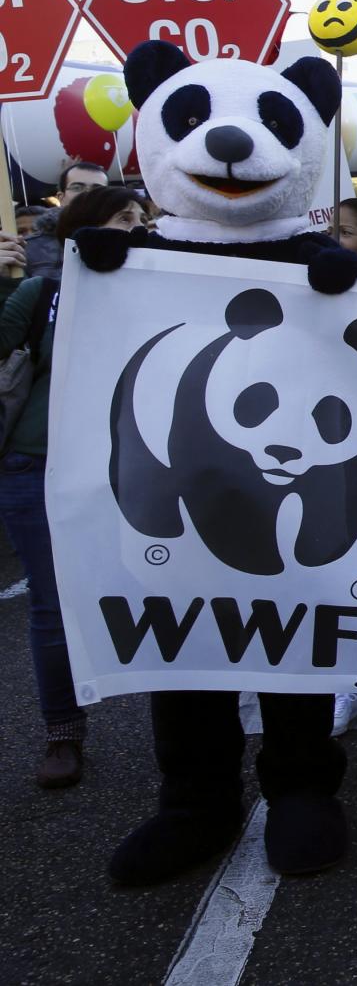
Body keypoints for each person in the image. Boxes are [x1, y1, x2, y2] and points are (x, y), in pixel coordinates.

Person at [0, 187, 147, 787]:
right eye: (122, 219)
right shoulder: (43, 294)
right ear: (81, 234)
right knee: (53, 606)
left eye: (144, 219)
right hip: (37, 464)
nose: (138, 228)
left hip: (137, 469)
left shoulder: (167, 291)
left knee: (175, 589)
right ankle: (62, 733)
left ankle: (187, 730)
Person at [24, 159, 112, 279]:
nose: (87, 194)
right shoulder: (29, 247)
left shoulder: (127, 242)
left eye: (97, 189)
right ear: (61, 197)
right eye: (77, 188)